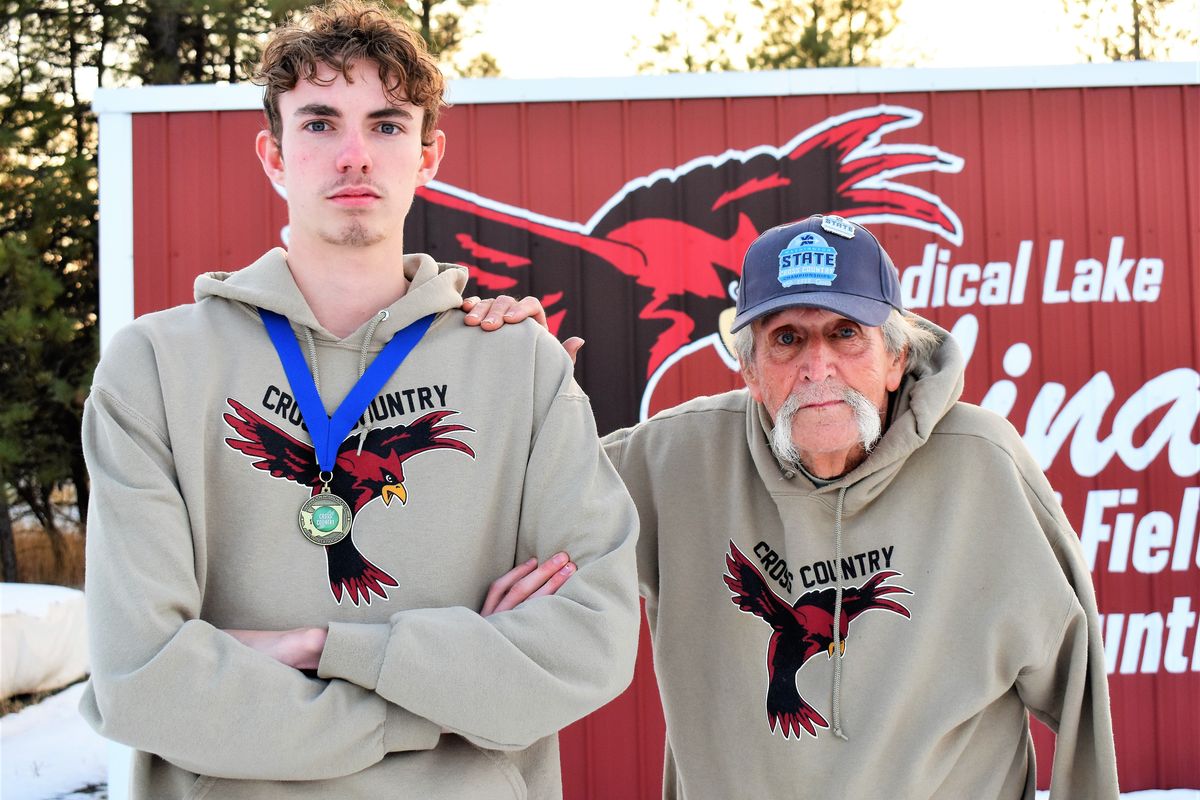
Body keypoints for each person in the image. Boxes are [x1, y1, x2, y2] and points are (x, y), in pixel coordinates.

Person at [79, 2, 639, 797]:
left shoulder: (519, 367)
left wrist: (318, 646)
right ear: (273, 155)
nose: (352, 156)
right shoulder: (157, 367)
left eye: (385, 125)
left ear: (428, 155)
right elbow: (142, 678)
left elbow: (588, 646)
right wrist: (437, 701)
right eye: (318, 124)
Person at [468, 214, 1119, 798]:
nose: (818, 366)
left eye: (845, 334)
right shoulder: (672, 460)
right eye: (787, 339)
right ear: (750, 369)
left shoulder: (984, 466)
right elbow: (514, 518)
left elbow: (1079, 685)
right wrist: (523, 393)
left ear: (895, 358)